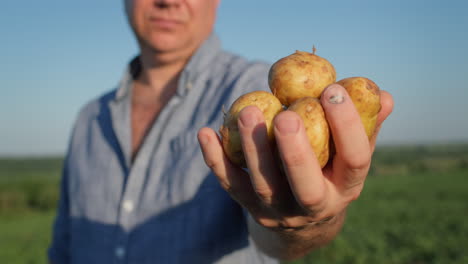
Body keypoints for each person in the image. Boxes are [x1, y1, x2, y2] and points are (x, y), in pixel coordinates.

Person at [48, 0, 394, 263]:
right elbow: (63, 245)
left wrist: (306, 221)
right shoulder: (89, 119)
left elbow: (274, 242)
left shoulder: (256, 91)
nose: (168, 1)